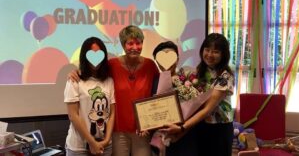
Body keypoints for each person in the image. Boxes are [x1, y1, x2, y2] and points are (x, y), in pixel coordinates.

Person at [68, 25, 160, 156]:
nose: (135, 47)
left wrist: (150, 124)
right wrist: (77, 71)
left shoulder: (150, 66)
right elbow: (94, 73)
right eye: (130, 43)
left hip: (142, 130)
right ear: (123, 45)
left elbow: (157, 95)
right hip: (117, 131)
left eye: (139, 43)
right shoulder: (112, 65)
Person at [160, 33, 234, 156]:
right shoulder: (198, 71)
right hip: (199, 127)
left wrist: (182, 128)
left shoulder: (225, 76)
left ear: (223, 55)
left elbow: (207, 109)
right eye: (207, 50)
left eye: (215, 52)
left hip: (219, 130)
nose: (210, 55)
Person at [64, 37, 115, 156]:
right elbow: (73, 115)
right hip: (79, 148)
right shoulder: (74, 80)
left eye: (99, 54)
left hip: (105, 146)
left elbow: (112, 113)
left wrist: (107, 140)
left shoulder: (109, 81)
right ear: (84, 56)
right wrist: (92, 142)